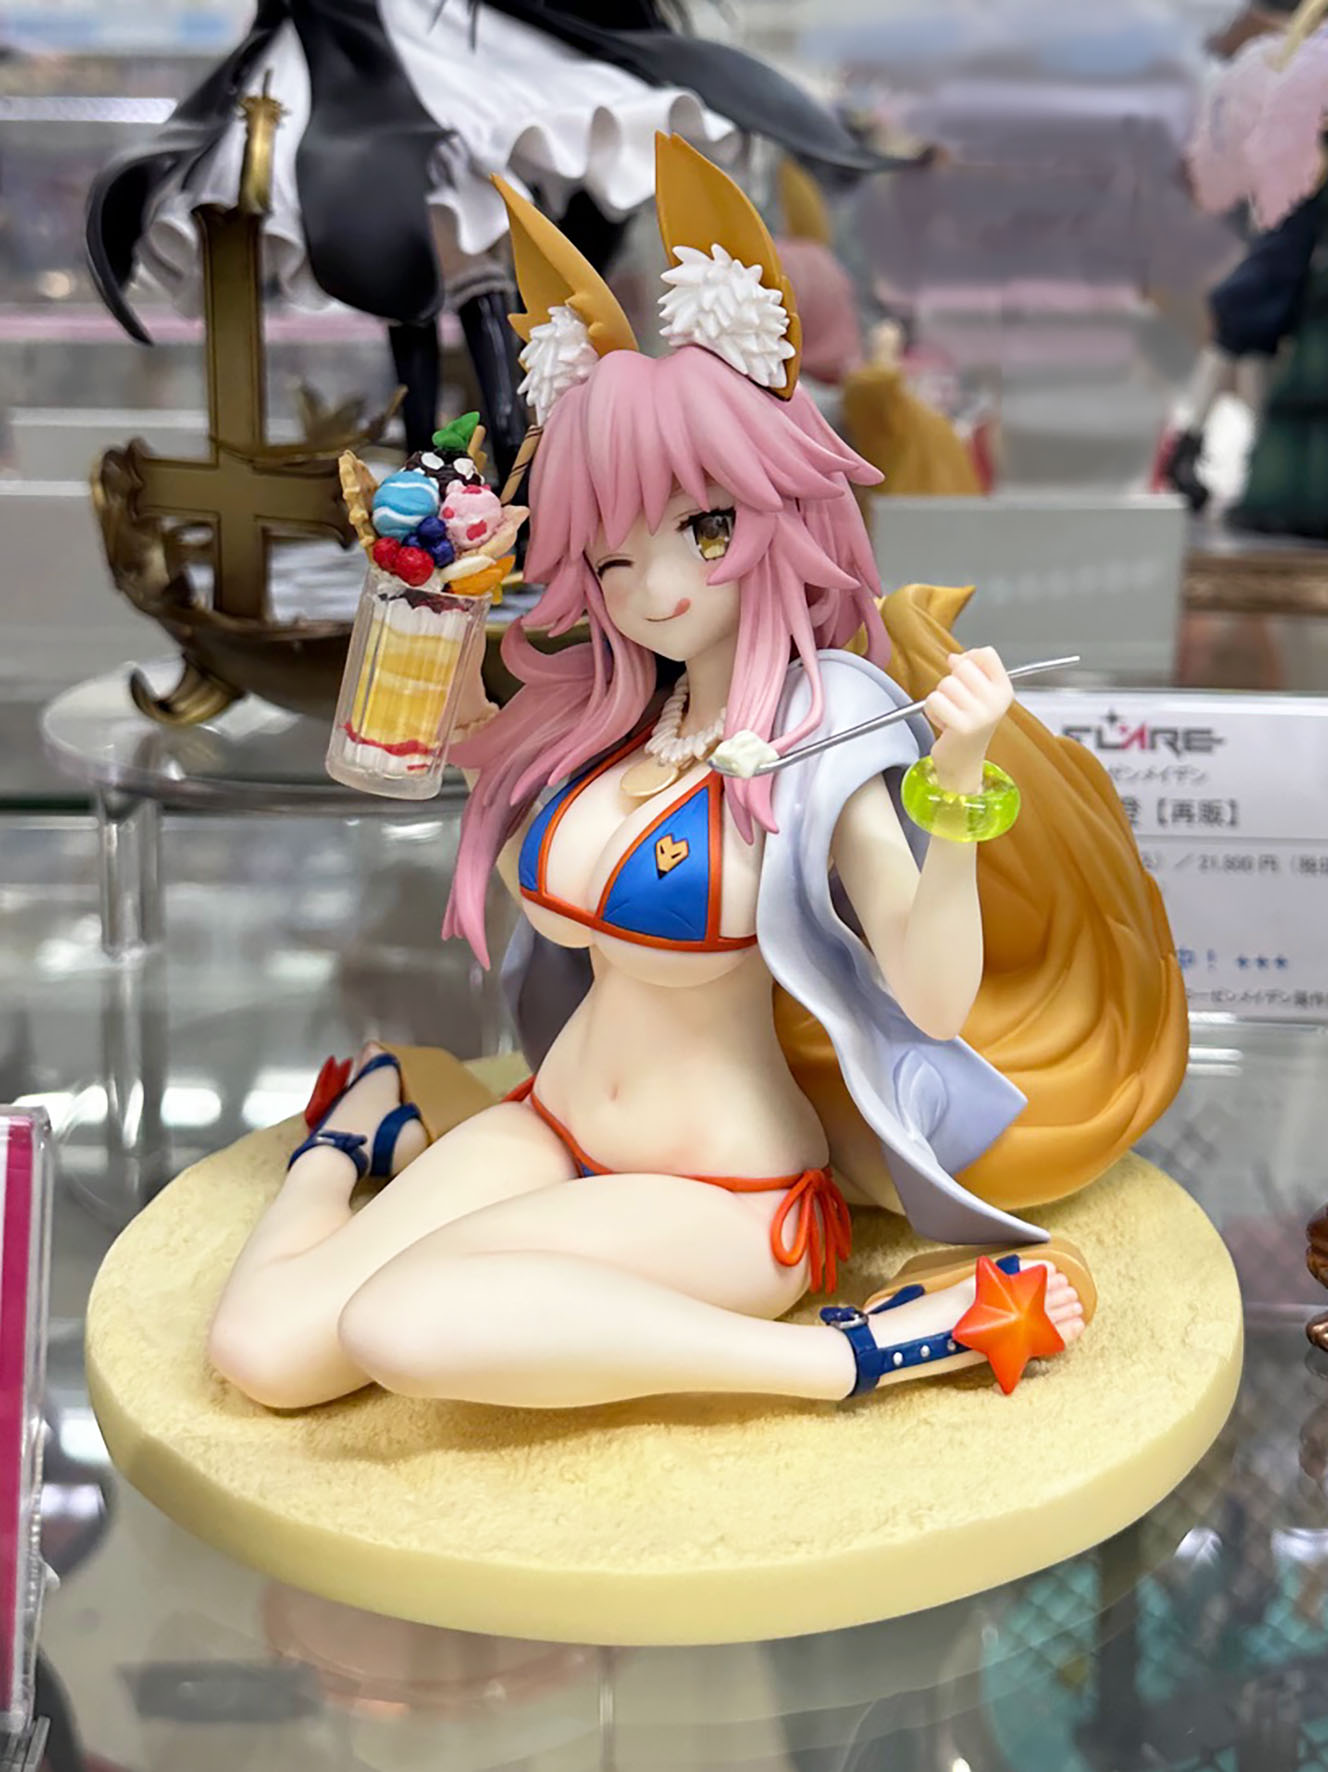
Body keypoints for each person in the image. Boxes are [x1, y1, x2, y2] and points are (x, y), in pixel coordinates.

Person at [207, 138, 1186, 1413]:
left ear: (778, 508)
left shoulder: (823, 719)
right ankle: (356, 1129)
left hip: (723, 1192)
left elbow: (932, 997)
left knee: (401, 1318)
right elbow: (448, 754)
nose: (652, 585)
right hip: (553, 1123)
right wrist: (430, 639)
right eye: (611, 554)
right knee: (264, 1353)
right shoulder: (613, 704)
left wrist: (955, 777)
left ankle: (867, 1348)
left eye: (703, 527)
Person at [84, 0, 887, 470]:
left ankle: (507, 473)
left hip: (430, 65)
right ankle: (451, 473)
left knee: (467, 284)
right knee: (415, 280)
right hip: (355, 69)